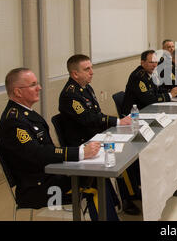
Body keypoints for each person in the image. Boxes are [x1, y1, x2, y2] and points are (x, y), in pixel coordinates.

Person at [0, 68, 119, 221]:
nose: (39, 88)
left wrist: (79, 153)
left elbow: (46, 150)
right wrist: (80, 153)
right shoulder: (13, 122)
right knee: (94, 184)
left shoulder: (26, 114)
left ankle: (112, 215)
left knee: (97, 175)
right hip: (37, 188)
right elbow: (37, 154)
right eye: (33, 85)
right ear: (18, 92)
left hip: (49, 175)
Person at [58, 54, 140, 215]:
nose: (92, 72)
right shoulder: (70, 94)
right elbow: (88, 119)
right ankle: (123, 201)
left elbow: (97, 114)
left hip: (96, 136)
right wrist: (117, 122)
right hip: (84, 143)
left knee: (129, 152)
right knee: (120, 156)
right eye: (87, 69)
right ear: (75, 74)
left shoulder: (86, 87)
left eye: (91, 67)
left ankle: (131, 194)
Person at [122, 50, 177, 114]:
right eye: (151, 62)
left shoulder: (150, 73)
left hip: (148, 109)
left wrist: (172, 91)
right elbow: (149, 99)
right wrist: (170, 95)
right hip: (135, 114)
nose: (154, 65)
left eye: (156, 62)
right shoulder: (139, 77)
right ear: (142, 63)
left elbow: (157, 90)